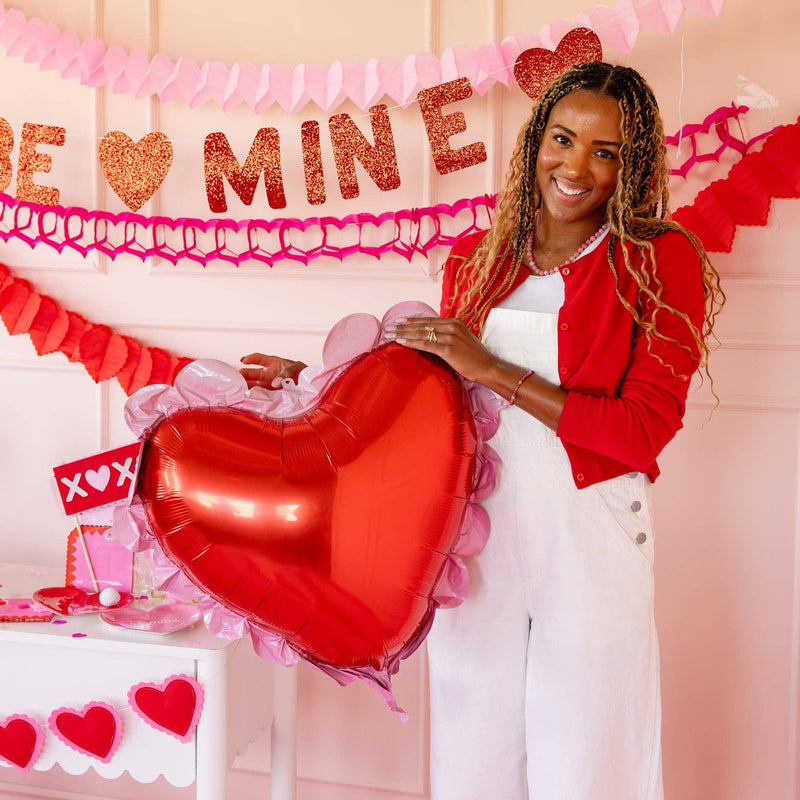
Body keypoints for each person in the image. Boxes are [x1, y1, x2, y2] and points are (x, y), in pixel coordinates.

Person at [241, 60, 723, 800]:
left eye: (607, 152)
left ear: (633, 167)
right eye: (562, 139)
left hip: (588, 524)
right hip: (476, 527)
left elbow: (639, 433)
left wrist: (493, 368)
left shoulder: (658, 261)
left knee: (591, 743)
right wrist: (310, 381)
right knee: (474, 742)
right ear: (535, 140)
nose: (576, 167)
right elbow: (427, 401)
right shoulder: (480, 259)